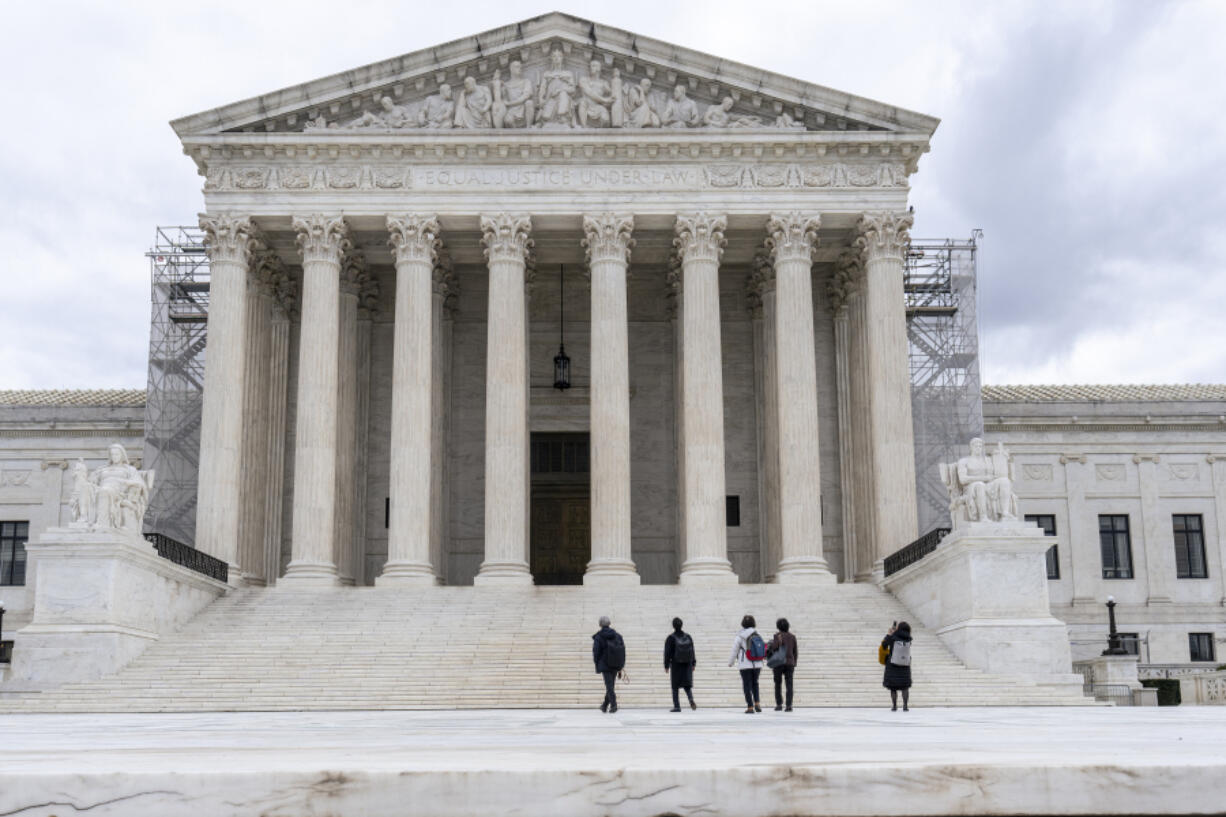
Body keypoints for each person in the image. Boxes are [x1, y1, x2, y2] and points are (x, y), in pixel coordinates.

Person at [728, 614, 764, 713]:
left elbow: (734, 650)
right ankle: (757, 703)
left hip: (745, 664)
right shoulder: (758, 634)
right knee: (755, 683)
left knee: (747, 685)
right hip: (757, 663)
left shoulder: (740, 635)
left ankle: (750, 707)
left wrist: (731, 662)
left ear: (743, 624)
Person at [663, 617, 697, 712]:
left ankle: (677, 706)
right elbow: (692, 651)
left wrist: (666, 665)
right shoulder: (688, 636)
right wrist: (693, 663)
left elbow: (667, 652)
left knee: (675, 686)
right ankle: (691, 700)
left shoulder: (671, 638)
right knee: (686, 685)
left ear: (673, 626)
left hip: (676, 664)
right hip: (687, 664)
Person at [592, 615, 624, 713]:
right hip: (615, 663)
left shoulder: (599, 636)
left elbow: (596, 651)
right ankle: (605, 705)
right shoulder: (617, 635)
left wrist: (596, 662)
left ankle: (614, 705)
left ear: (600, 624)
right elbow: (622, 651)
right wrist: (621, 665)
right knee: (610, 685)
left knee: (609, 685)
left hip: (605, 664)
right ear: (609, 623)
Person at [882, 621, 913, 711]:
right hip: (905, 665)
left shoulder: (893, 637)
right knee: (905, 686)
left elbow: (884, 645)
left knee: (893, 687)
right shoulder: (909, 639)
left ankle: (894, 706)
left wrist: (889, 634)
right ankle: (905, 705)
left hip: (893, 665)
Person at [769, 617, 798, 711]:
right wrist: (794, 662)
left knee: (778, 684)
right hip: (790, 663)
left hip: (778, 663)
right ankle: (789, 705)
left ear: (778, 627)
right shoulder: (792, 637)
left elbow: (774, 647)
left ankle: (779, 704)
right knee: (789, 684)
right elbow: (795, 651)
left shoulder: (777, 636)